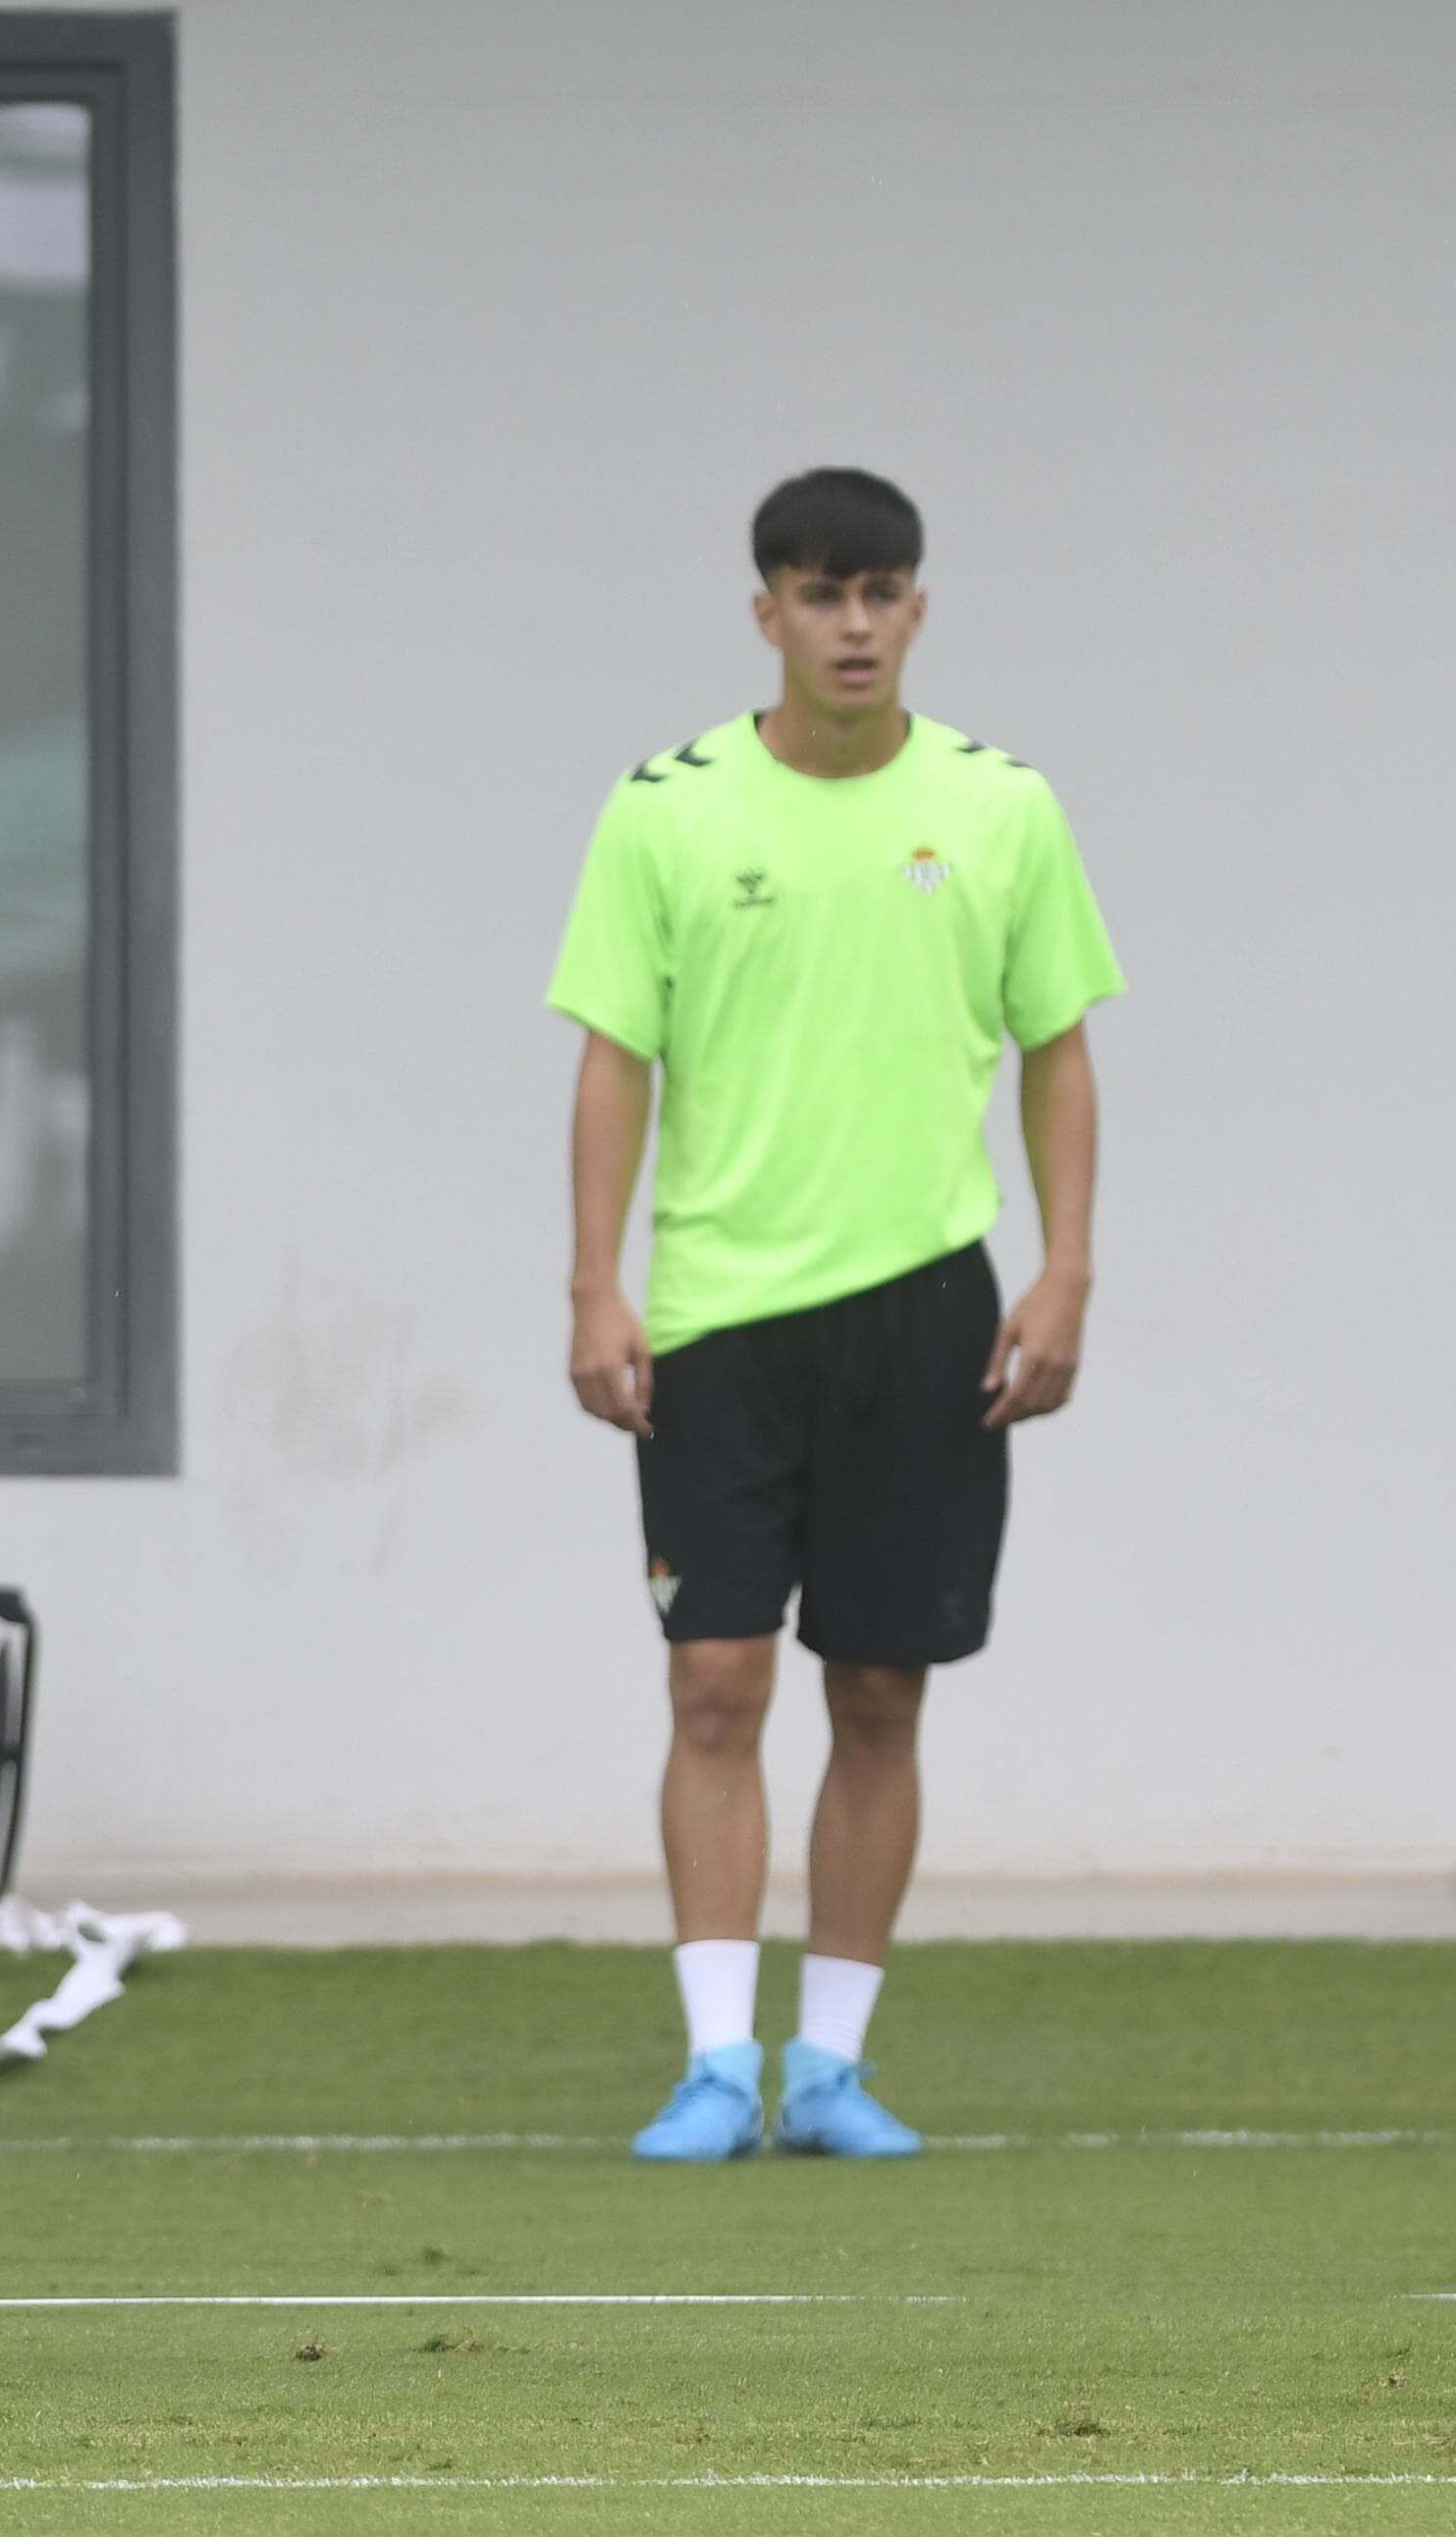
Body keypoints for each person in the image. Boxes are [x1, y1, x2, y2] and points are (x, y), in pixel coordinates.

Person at [553, 468, 1122, 2167]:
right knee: (715, 1679)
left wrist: (1067, 1266)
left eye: (879, 595)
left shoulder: (1002, 806)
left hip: (927, 1309)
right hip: (719, 1312)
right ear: (766, 613)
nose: (851, 625)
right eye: (818, 594)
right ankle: (716, 2060)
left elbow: (1059, 1051)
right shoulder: (665, 809)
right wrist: (596, 1282)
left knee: (880, 1688)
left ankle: (836, 2065)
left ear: (918, 610)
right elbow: (611, 1061)